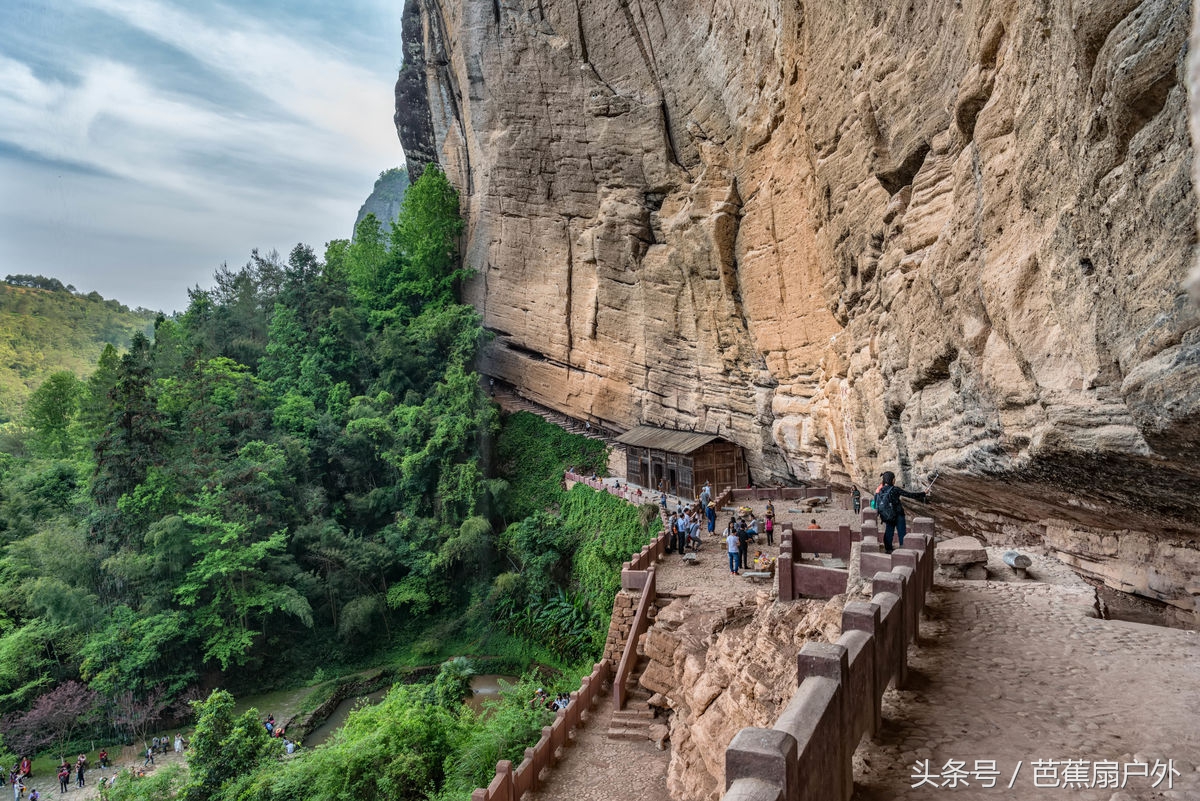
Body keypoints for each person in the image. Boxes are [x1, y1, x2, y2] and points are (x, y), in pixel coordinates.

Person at [873, 471, 927, 553]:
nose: (894, 480)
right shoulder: (895, 489)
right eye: (894, 478)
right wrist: (923, 493)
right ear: (892, 479)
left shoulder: (880, 491)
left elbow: (876, 503)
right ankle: (903, 548)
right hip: (898, 515)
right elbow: (909, 495)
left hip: (888, 515)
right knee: (901, 532)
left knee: (889, 532)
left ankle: (888, 549)